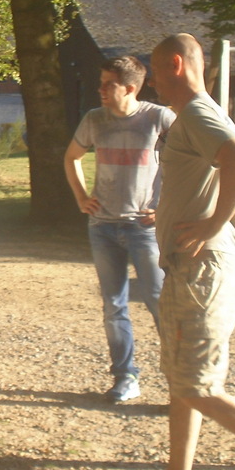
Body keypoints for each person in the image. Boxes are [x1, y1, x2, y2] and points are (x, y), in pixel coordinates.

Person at [116, 33, 235, 470]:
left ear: (177, 65)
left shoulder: (200, 113)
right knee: (183, 381)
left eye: (158, 71)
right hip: (197, 272)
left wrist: (212, 224)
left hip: (200, 273)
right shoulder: (204, 117)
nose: (153, 84)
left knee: (199, 388)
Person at [64, 56, 175, 403]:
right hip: (103, 226)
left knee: (159, 301)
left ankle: (180, 381)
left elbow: (191, 161)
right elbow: (72, 157)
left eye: (107, 84)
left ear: (129, 88)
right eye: (100, 83)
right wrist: (82, 198)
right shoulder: (94, 119)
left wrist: (165, 206)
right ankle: (125, 377)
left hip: (144, 227)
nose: (100, 90)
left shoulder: (159, 118)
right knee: (114, 305)